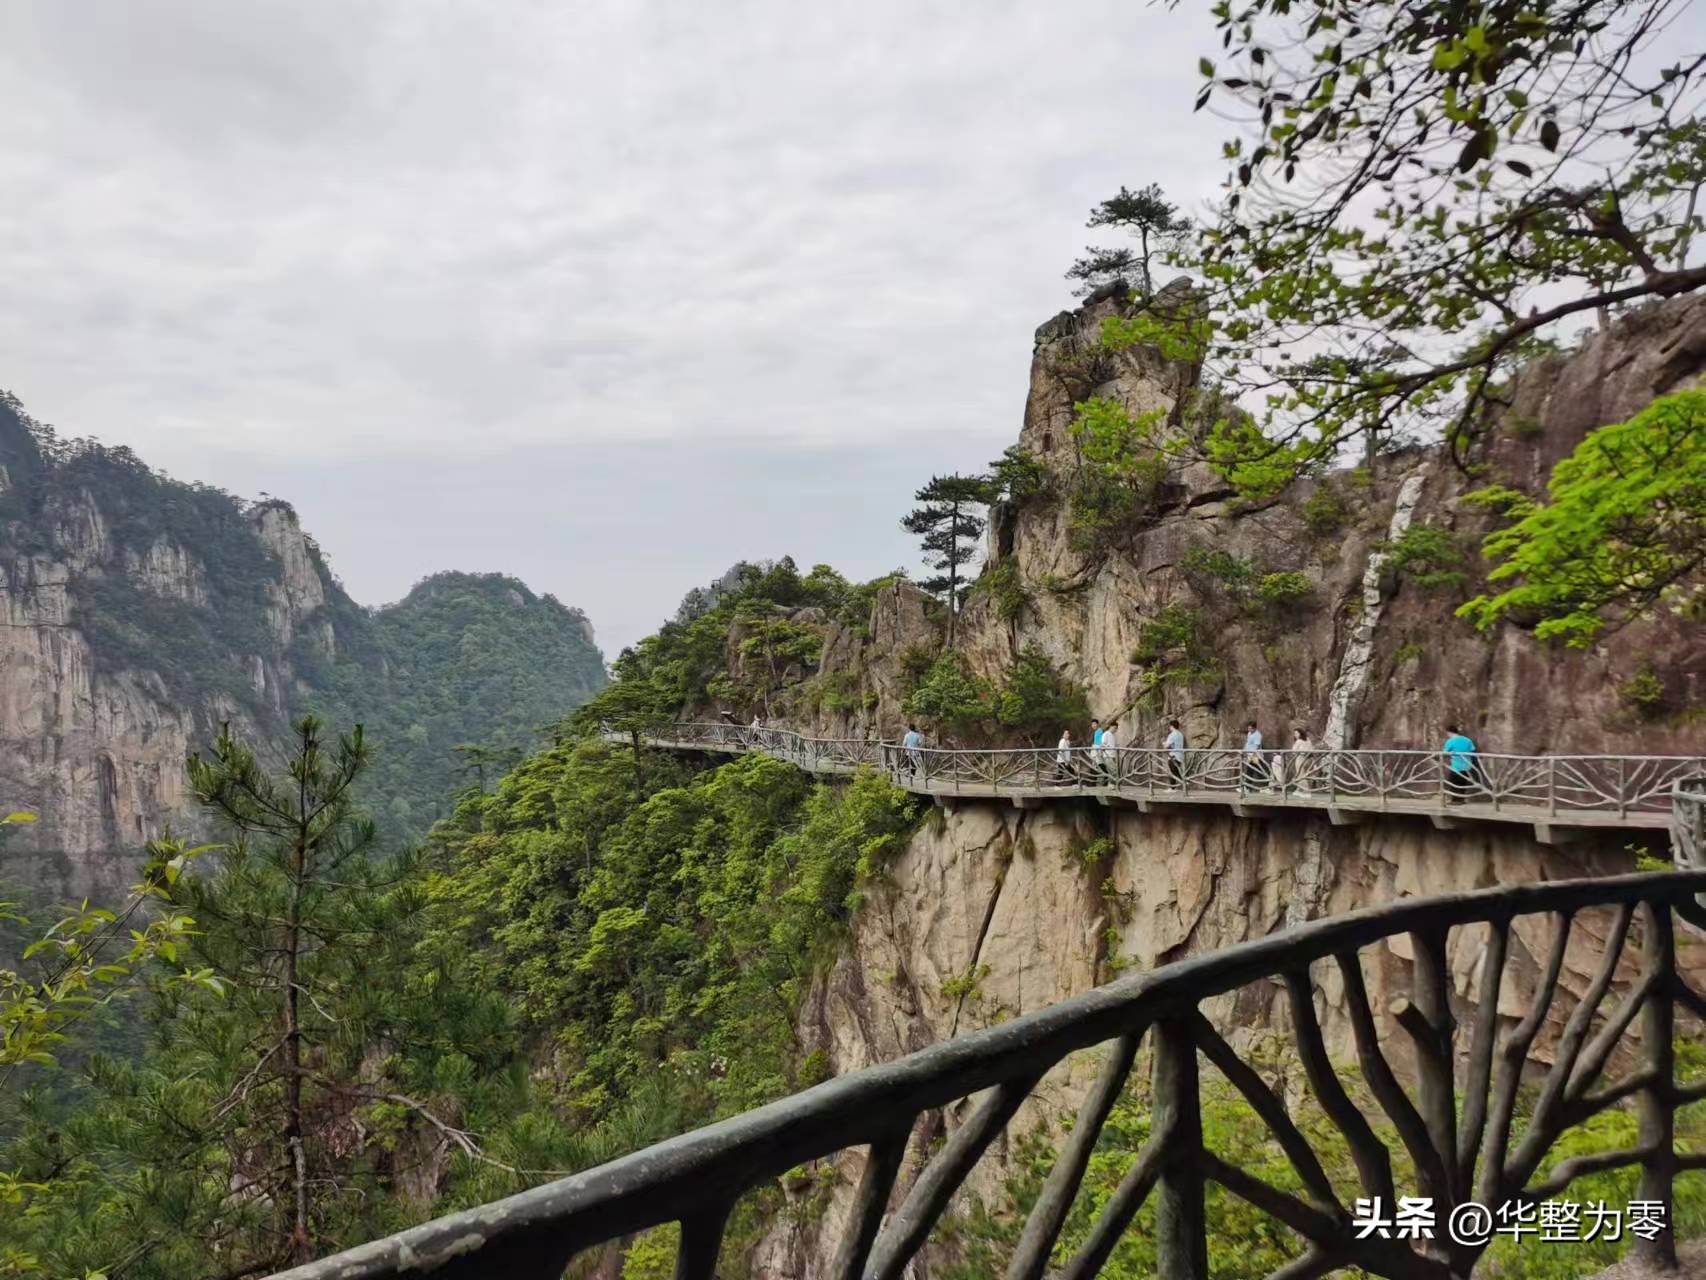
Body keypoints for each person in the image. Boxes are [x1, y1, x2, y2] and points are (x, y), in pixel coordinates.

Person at [1443, 724, 1477, 803]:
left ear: (1449, 732)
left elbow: (1444, 753)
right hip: (1467, 766)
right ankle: (1462, 799)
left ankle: (1455, 800)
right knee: (1463, 783)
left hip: (1456, 766)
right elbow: (1473, 750)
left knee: (1454, 783)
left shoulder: (1450, 741)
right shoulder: (1467, 740)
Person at [1241, 720, 1267, 790]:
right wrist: (1244, 751)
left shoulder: (1258, 735)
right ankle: (1248, 787)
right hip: (1250, 755)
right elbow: (1248, 743)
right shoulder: (1249, 733)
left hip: (1255, 756)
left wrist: (1253, 756)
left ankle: (1266, 786)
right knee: (1251, 771)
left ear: (1254, 728)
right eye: (1248, 728)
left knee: (1258, 771)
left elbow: (1257, 746)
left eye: (1250, 728)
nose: (1249, 730)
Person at [1290, 727, 1314, 794]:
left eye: (1297, 733)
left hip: (1301, 758)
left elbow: (1293, 751)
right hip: (1310, 759)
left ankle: (1306, 792)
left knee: (1301, 775)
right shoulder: (1308, 740)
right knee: (1306, 775)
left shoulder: (1299, 741)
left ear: (1301, 733)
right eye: (1294, 733)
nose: (1295, 735)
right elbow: (1312, 749)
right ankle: (1299, 790)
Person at [1164, 719, 1186, 788]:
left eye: (1170, 726)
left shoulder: (1172, 735)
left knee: (1172, 773)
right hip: (1180, 756)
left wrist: (1164, 743)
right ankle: (1184, 784)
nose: (1169, 728)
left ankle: (1172, 788)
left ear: (1172, 726)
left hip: (1173, 756)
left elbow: (1166, 746)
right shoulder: (1180, 734)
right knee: (1177, 772)